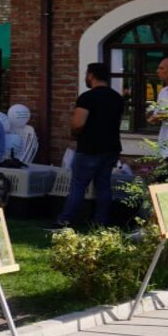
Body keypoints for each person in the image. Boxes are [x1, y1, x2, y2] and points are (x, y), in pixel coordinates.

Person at [58, 63, 125, 227]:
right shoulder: (117, 98)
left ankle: (66, 220)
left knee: (78, 185)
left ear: (91, 75)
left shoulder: (87, 97)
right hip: (111, 147)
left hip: (89, 148)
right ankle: (100, 222)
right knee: (103, 185)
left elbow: (78, 123)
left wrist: (74, 132)